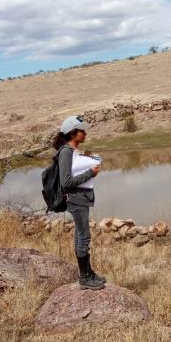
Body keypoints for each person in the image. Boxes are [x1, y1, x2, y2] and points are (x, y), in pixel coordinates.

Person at [53, 115, 106, 290]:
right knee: (84, 237)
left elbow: (79, 162)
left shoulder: (72, 150)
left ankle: (88, 272)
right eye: (81, 131)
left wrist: (92, 158)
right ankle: (85, 277)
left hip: (81, 198)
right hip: (76, 200)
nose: (85, 133)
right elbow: (66, 182)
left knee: (80, 236)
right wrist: (91, 173)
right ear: (73, 133)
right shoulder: (66, 152)